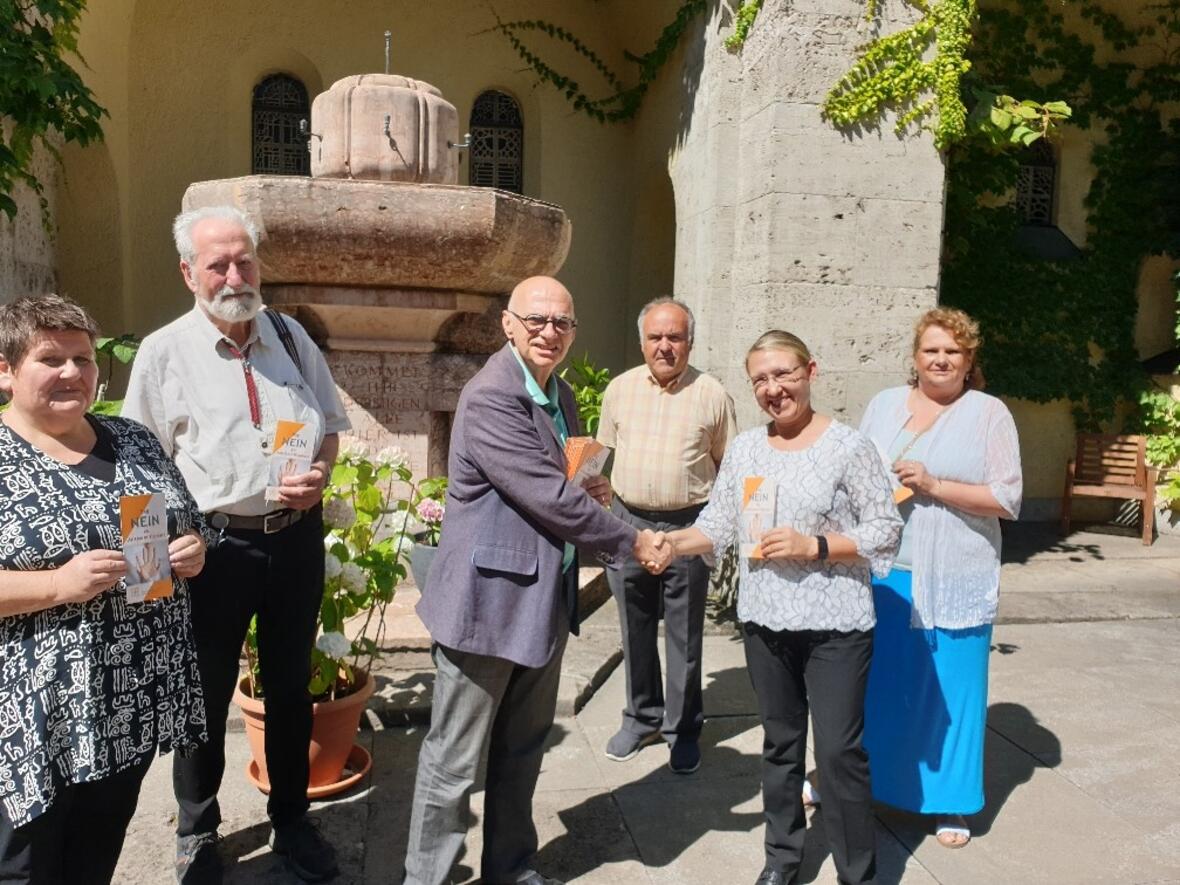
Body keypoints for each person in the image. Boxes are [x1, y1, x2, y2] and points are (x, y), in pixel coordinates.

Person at [403, 276, 671, 885]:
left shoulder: (563, 395)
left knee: (522, 753)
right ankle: (429, 878)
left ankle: (511, 867)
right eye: (537, 320)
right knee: (453, 761)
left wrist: (595, 490)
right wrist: (630, 539)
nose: (550, 332)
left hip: (542, 601)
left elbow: (566, 483)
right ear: (509, 324)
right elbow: (546, 496)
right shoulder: (492, 396)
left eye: (562, 323)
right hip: (485, 606)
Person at [122, 206, 351, 884]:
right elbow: (137, 469)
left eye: (243, 260)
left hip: (293, 541)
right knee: (203, 693)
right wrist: (146, 580)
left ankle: (290, 819)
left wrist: (322, 476)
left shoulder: (289, 335)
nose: (233, 274)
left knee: (288, 686)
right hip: (211, 551)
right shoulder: (164, 352)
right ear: (188, 272)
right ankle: (196, 830)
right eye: (217, 263)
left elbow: (330, 426)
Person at [659, 330, 901, 885]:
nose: (773, 389)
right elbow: (717, 524)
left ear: (811, 371)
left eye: (784, 374)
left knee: (839, 753)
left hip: (836, 623)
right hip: (766, 621)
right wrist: (669, 543)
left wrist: (814, 546)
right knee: (780, 744)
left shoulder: (849, 446)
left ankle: (857, 872)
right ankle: (782, 859)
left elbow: (886, 531)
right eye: (760, 380)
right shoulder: (745, 448)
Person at [0, 294, 207, 884]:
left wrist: (191, 550)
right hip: (34, 719)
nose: (72, 373)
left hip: (127, 704)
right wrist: (57, 585)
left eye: (83, 358)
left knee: (95, 857)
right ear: (6, 370)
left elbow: (174, 528)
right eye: (51, 358)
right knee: (25, 866)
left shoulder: (132, 440)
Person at [856, 307, 1021, 849]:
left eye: (954, 351)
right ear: (915, 356)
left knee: (953, 691)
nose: (942, 359)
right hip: (886, 571)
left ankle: (950, 802)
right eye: (932, 350)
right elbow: (853, 474)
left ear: (969, 359)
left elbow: (1006, 498)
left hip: (955, 574)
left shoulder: (989, 413)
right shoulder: (883, 405)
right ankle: (871, 782)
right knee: (879, 687)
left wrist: (933, 483)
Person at [596, 297, 736, 773]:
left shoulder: (712, 394)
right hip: (627, 523)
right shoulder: (619, 390)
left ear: (689, 342)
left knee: (684, 634)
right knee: (633, 628)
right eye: (655, 337)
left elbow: (729, 468)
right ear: (642, 342)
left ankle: (683, 729)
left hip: (688, 525)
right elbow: (601, 457)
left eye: (674, 337)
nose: (664, 346)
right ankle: (641, 717)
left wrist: (712, 531)